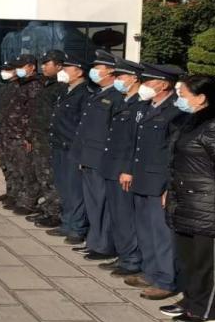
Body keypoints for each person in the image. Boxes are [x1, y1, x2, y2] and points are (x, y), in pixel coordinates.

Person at [161, 74, 215, 322]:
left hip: (208, 202)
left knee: (207, 260)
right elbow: (178, 162)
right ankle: (191, 301)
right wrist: (169, 189)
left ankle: (208, 312)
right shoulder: (191, 120)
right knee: (190, 258)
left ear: (201, 98)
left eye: (183, 95)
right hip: (185, 197)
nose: (179, 99)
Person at [125, 63, 186, 300]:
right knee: (145, 230)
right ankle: (150, 272)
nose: (144, 86)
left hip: (159, 182)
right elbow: (137, 144)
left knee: (162, 233)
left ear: (164, 85)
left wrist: (169, 186)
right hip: (141, 177)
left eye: (149, 82)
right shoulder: (146, 107)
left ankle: (166, 280)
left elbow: (175, 153)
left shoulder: (176, 112)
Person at [70, 50, 123, 261]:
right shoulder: (98, 94)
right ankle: (94, 242)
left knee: (102, 204)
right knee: (92, 203)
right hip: (89, 157)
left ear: (110, 71)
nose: (93, 71)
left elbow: (113, 133)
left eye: (98, 68)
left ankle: (104, 245)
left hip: (101, 159)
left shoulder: (116, 97)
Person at [98, 58, 146, 278]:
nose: (117, 80)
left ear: (134, 78)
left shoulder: (139, 105)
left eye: (121, 76)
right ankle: (123, 254)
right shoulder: (122, 100)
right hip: (112, 166)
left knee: (125, 216)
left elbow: (135, 143)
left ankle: (132, 259)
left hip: (123, 170)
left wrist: (128, 169)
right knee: (117, 215)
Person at [45, 55, 94, 242]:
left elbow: (84, 125)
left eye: (67, 68)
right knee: (63, 187)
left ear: (79, 72)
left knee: (75, 190)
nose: (63, 71)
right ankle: (66, 223)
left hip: (72, 147)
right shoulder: (66, 90)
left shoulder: (85, 93)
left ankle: (77, 227)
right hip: (59, 145)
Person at [26, 50, 68, 228]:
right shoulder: (47, 84)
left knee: (50, 176)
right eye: (42, 63)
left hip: (49, 138)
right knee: (41, 174)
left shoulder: (62, 87)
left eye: (47, 63)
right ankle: (48, 208)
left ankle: (55, 213)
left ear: (59, 66)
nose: (43, 67)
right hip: (39, 136)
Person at [2, 54, 44, 215]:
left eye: (22, 66)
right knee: (17, 168)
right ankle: (18, 197)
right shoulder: (21, 84)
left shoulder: (35, 85)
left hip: (23, 135)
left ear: (32, 67)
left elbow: (33, 113)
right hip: (12, 133)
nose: (18, 69)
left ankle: (29, 202)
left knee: (27, 170)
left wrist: (28, 136)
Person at [0, 61, 19, 203]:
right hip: (0, 130)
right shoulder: (3, 88)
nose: (4, 72)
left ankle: (17, 193)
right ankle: (10, 191)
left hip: (12, 132)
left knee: (14, 163)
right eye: (4, 69)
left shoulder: (19, 87)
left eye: (8, 69)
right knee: (4, 163)